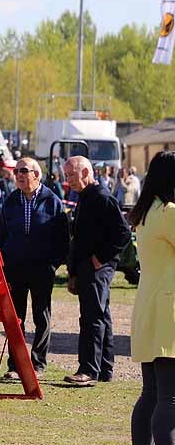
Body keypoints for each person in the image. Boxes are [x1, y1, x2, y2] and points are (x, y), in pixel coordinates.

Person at [0, 157, 69, 379]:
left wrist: (52, 265)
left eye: (23, 170)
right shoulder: (10, 201)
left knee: (41, 317)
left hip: (41, 270)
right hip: (15, 269)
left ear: (37, 174)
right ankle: (15, 366)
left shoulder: (53, 201)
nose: (19, 175)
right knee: (15, 319)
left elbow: (63, 240)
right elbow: (0, 235)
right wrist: (2, 262)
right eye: (16, 171)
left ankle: (37, 364)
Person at [63, 155, 132, 387]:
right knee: (101, 316)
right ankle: (104, 369)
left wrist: (100, 259)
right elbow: (79, 238)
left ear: (85, 172)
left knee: (92, 318)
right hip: (85, 268)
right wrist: (73, 271)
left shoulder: (102, 197)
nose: (68, 180)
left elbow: (122, 233)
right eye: (66, 176)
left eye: (71, 175)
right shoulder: (84, 197)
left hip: (97, 268)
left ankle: (88, 370)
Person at [127, 152, 175, 445]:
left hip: (149, 307)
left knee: (151, 394)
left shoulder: (146, 213)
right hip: (168, 311)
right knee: (169, 398)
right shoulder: (169, 212)